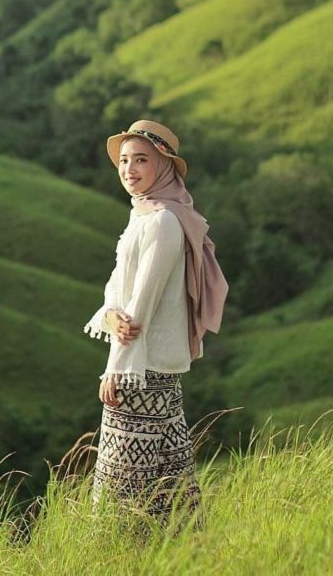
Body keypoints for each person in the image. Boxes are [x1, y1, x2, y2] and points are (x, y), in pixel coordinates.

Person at [83, 118, 229, 523]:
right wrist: (110, 311)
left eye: (141, 160)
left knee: (120, 488)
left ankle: (119, 555)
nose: (129, 170)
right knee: (170, 478)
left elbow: (141, 306)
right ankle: (180, 557)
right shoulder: (144, 215)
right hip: (151, 368)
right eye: (124, 160)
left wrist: (114, 370)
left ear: (163, 165)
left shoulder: (164, 221)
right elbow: (118, 283)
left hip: (141, 370)